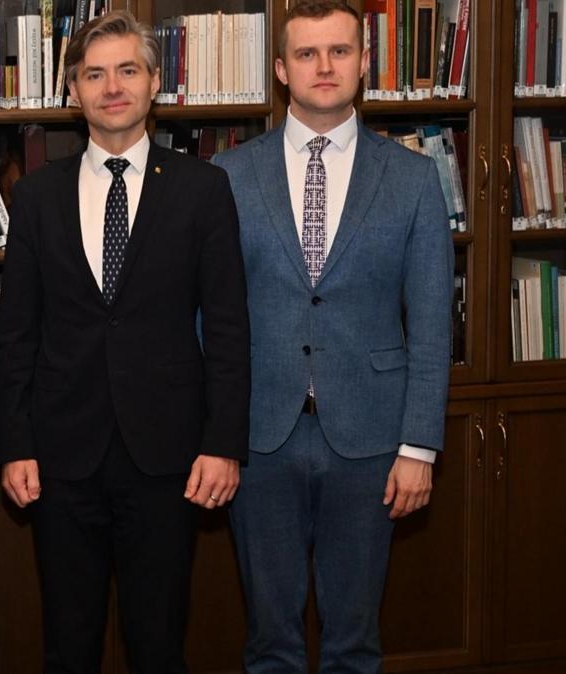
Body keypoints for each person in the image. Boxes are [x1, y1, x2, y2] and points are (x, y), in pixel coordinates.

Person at [0, 10, 250, 673]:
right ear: (72, 90)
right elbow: (16, 333)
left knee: (158, 644)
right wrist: (14, 443)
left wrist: (223, 443)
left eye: (127, 71)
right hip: (61, 456)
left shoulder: (202, 188)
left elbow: (227, 327)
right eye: (94, 74)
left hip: (168, 457)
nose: (112, 87)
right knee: (68, 645)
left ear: (154, 82)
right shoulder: (37, 196)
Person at [210, 1, 453, 670]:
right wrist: (214, 436)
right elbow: (208, 319)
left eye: (340, 51)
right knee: (270, 642)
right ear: (281, 69)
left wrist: (420, 447)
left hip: (372, 443)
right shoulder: (228, 176)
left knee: (354, 642)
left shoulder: (412, 178)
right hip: (257, 440)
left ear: (364, 62)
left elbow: (432, 322)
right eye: (308, 54)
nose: (325, 66)